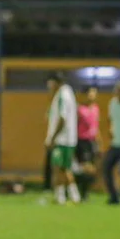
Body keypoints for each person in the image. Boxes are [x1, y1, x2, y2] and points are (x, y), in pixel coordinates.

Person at [45, 72, 81, 205]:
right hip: (68, 139)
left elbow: (62, 118)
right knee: (64, 168)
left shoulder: (62, 95)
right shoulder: (67, 93)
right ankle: (73, 196)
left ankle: (61, 197)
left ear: (55, 82)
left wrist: (52, 138)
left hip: (62, 140)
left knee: (58, 167)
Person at [75, 85, 101, 200]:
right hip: (82, 141)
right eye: (91, 93)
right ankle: (82, 193)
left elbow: (96, 127)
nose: (93, 95)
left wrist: (99, 142)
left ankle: (83, 191)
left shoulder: (96, 108)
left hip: (92, 141)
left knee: (92, 169)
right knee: (86, 168)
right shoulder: (80, 109)